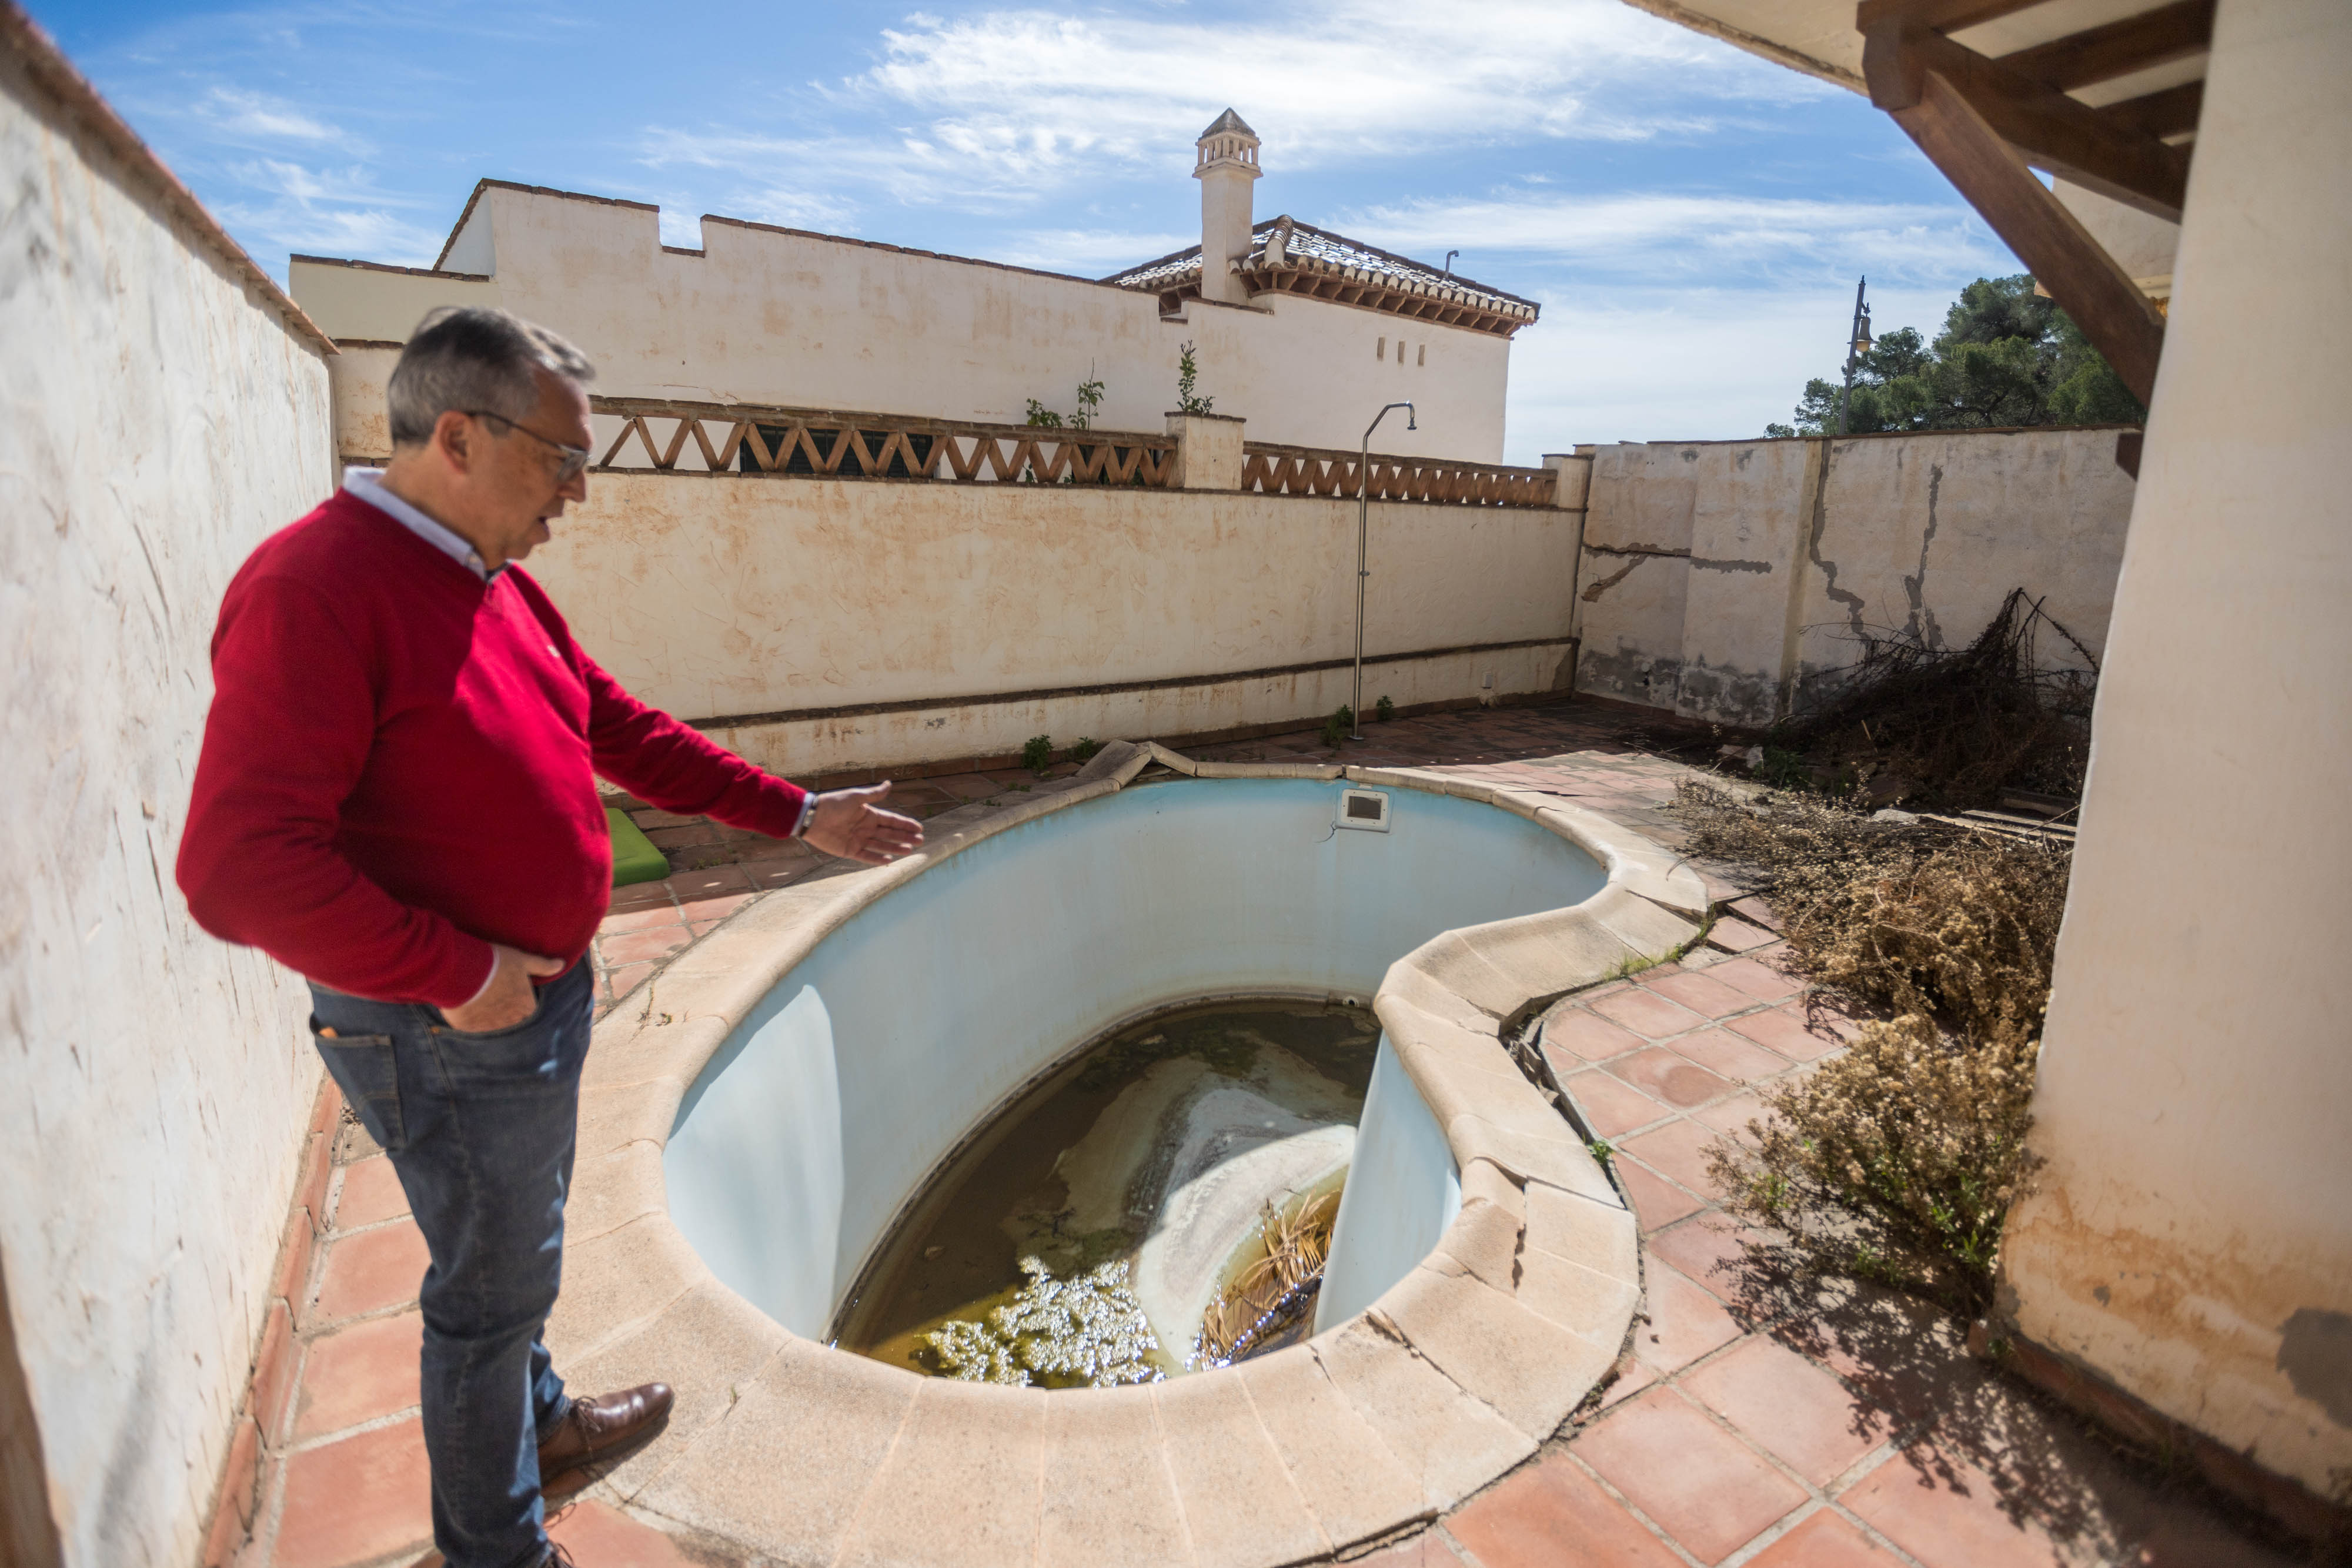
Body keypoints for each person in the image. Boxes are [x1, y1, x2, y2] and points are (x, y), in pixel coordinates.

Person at [176, 306, 923, 1568]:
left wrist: (798, 814)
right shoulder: (317, 586)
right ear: (456, 436)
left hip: (512, 1012)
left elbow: (616, 727)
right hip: (447, 1028)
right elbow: (237, 866)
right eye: (560, 456)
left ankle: (547, 1426)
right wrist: (459, 973)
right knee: (487, 1297)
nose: (577, 491)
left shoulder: (489, 579)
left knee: (511, 1250)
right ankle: (500, 1549)